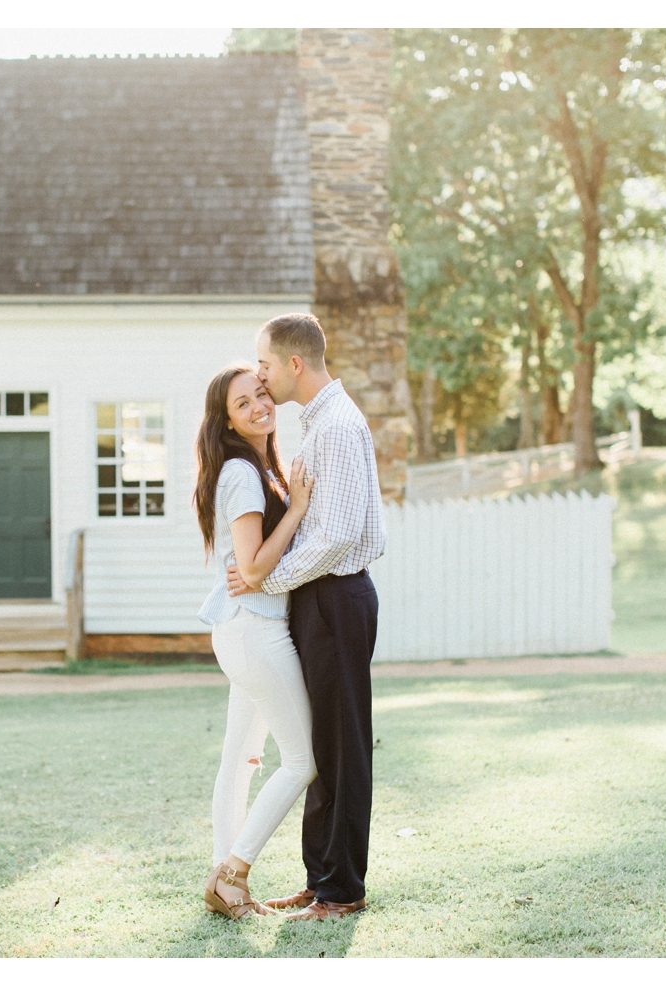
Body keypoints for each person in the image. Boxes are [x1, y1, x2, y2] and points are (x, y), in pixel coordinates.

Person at [227, 312, 386, 922]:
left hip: (337, 596)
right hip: (318, 596)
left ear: (295, 364)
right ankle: (322, 880)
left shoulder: (338, 427)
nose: (261, 379)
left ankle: (343, 890)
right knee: (321, 741)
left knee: (342, 745)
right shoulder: (320, 423)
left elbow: (339, 535)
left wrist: (268, 575)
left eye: (264, 365)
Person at [193, 362, 318, 920]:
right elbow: (253, 567)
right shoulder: (243, 473)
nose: (259, 406)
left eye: (261, 395)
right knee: (301, 761)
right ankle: (235, 871)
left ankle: (225, 877)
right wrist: (295, 510)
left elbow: (251, 568)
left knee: (240, 762)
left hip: (242, 630)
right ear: (226, 421)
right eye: (243, 404)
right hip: (256, 631)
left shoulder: (259, 467)